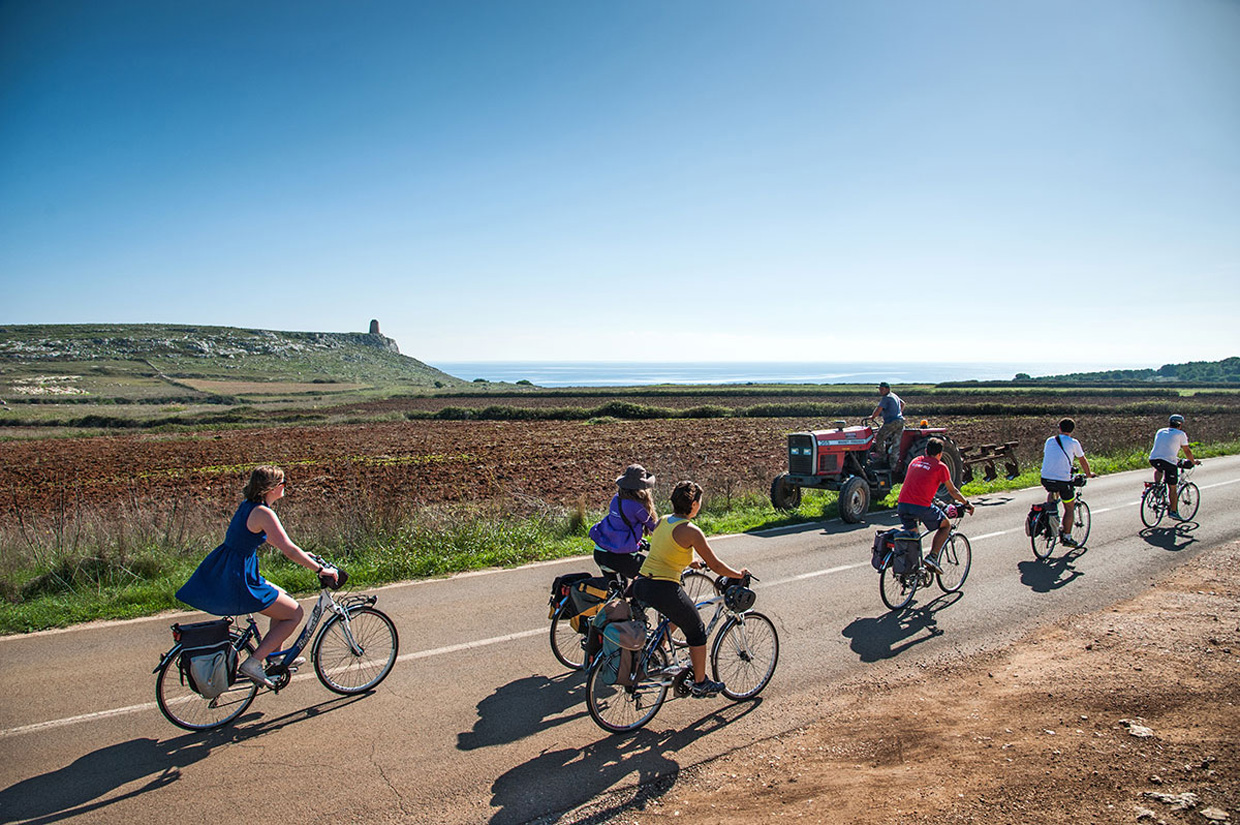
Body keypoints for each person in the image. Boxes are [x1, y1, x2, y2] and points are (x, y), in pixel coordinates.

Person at [175, 466, 337, 688]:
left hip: (232, 567)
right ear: (271, 488)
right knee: (294, 613)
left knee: (283, 597)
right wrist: (320, 570)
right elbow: (288, 549)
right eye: (282, 483)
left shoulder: (250, 507)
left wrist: (305, 556)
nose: (284, 487)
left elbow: (274, 541)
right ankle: (254, 662)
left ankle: (275, 656)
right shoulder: (264, 513)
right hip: (239, 577)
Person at [633, 480, 749, 698]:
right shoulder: (691, 531)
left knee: (679, 612)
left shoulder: (663, 521)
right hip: (663, 587)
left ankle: (660, 649)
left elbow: (666, 550)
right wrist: (738, 575)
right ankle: (700, 682)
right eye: (700, 502)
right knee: (696, 628)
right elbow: (716, 566)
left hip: (641, 583)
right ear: (694, 505)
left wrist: (690, 561)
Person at [895, 438, 972, 572]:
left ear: (926, 450)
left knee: (913, 539)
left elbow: (918, 484)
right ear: (940, 454)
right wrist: (966, 503)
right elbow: (953, 491)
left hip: (902, 505)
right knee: (946, 525)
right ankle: (933, 557)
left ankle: (911, 572)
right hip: (920, 507)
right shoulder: (940, 467)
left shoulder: (915, 461)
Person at [588, 464, 659, 581]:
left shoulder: (616, 499)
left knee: (616, 589)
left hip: (600, 552)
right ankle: (637, 598)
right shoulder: (638, 507)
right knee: (651, 572)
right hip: (619, 557)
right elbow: (655, 528)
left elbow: (620, 526)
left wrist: (639, 542)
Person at [1040, 418, 1095, 547]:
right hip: (1063, 480)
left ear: (1059, 428)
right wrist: (1088, 474)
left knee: (1053, 492)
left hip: (1046, 478)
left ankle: (1050, 513)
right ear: (1072, 430)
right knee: (1069, 508)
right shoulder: (1073, 442)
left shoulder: (1050, 440)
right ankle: (1067, 536)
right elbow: (1082, 460)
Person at [1148, 414, 1198, 520]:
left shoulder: (1160, 431)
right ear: (1180, 424)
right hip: (1169, 462)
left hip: (1153, 458)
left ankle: (1157, 487)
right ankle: (1173, 512)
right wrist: (1192, 461)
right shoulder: (1181, 434)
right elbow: (1187, 451)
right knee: (1172, 488)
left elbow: (1165, 448)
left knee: (1159, 468)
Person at [870, 381, 905, 468]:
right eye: (880, 389)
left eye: (882, 389)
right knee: (896, 443)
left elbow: (879, 409)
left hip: (892, 422)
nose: (880, 391)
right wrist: (899, 412)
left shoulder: (886, 398)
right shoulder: (894, 396)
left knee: (879, 437)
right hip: (900, 421)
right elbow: (903, 403)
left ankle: (881, 458)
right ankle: (893, 465)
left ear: (888, 389)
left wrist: (872, 417)